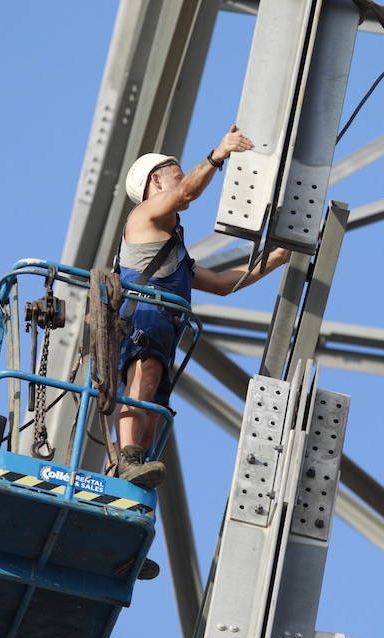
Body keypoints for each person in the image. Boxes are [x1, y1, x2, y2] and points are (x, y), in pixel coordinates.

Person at [115, 125, 290, 489]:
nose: (181, 179)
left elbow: (222, 284)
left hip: (164, 328)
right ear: (154, 184)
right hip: (144, 318)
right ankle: (127, 461)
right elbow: (185, 194)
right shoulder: (143, 217)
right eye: (174, 175)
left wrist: (273, 260)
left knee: (153, 407)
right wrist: (218, 155)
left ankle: (131, 467)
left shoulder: (175, 254)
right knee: (142, 381)